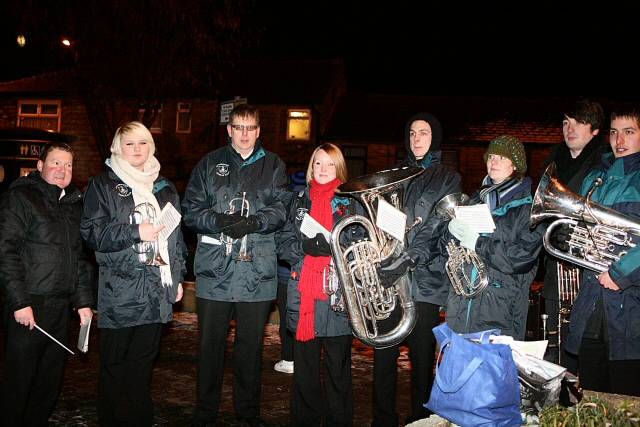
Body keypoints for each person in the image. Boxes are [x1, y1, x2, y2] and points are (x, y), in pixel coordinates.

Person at [182, 104, 289, 427]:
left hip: (256, 272)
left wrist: (255, 222)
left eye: (250, 128)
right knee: (209, 347)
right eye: (238, 127)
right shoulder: (210, 163)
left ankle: (247, 412)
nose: (244, 134)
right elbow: (190, 210)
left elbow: (282, 208)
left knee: (249, 350)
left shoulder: (273, 165)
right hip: (215, 270)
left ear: (258, 131)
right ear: (229, 129)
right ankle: (205, 412)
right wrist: (218, 220)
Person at [80, 121, 186, 426]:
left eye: (142, 143)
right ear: (118, 148)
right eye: (129, 144)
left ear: (150, 146)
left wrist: (177, 276)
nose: (136, 150)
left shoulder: (164, 187)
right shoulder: (103, 184)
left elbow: (175, 239)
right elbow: (92, 232)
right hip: (121, 290)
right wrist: (136, 231)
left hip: (157, 290)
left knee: (142, 367)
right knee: (115, 366)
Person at [372, 113, 462, 426]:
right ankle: (382, 418)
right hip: (389, 277)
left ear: (434, 138)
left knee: (422, 357)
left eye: (423, 133)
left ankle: (420, 418)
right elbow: (380, 217)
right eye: (412, 133)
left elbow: (437, 226)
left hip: (424, 278)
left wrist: (409, 257)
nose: (416, 139)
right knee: (384, 353)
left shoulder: (447, 177)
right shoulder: (395, 173)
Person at [0, 142, 94, 426]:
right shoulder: (21, 198)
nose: (62, 170)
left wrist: (83, 303)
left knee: (49, 381)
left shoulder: (73, 206)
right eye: (55, 163)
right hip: (29, 305)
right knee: (19, 381)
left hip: (59, 306)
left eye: (67, 165)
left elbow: (77, 259)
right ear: (40, 166)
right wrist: (20, 302)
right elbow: (6, 250)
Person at [278, 144, 359, 427]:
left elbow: (361, 240)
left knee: (338, 368)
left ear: (339, 168)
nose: (323, 170)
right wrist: (302, 249)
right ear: (311, 167)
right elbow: (283, 239)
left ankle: (339, 420)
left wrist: (334, 249)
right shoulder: (299, 199)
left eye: (329, 164)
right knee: (305, 369)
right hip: (304, 296)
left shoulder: (350, 201)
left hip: (338, 295)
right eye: (318, 164)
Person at [563, 108, 640, 396]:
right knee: (593, 399)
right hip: (592, 303)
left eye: (629, 132)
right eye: (614, 132)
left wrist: (621, 273)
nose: (619, 140)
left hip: (630, 305)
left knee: (627, 403)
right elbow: (581, 232)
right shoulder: (595, 179)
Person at [441, 135, 543, 339]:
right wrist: (449, 233)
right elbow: (448, 252)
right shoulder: (474, 200)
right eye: (491, 156)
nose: (494, 161)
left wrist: (478, 243)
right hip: (462, 306)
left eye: (502, 158)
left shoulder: (529, 209)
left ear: (515, 165)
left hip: (500, 310)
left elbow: (520, 258)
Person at [542, 99, 605, 366]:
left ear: (595, 131)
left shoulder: (604, 163)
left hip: (586, 266)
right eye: (566, 122)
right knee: (556, 334)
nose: (570, 128)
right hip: (557, 264)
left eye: (579, 122)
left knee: (583, 340)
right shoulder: (554, 160)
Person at [274, 171, 307, 375]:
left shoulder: (287, 201)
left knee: (287, 318)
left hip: (285, 275)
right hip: (303, 271)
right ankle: (302, 357)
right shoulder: (306, 200)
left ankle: (288, 358)